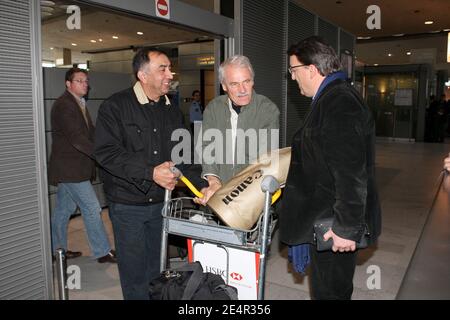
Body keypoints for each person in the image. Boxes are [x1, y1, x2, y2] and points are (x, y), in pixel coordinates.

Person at [93, 48, 207, 300]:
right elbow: (106, 153)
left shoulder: (172, 111)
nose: (170, 74)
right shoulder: (115, 106)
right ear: (142, 75)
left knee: (157, 271)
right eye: (163, 69)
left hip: (161, 205)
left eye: (170, 68)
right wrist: (150, 172)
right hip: (127, 205)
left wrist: (204, 184)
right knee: (134, 274)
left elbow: (184, 157)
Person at [279, 36, 382, 300]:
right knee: (327, 289)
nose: (292, 78)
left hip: (334, 225)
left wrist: (346, 229)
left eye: (293, 70)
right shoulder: (331, 97)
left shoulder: (339, 103)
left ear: (311, 69)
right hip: (325, 218)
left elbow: (350, 172)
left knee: (331, 292)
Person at [48, 67, 117, 263]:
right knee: (92, 207)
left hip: (73, 168)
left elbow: (91, 132)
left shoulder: (79, 103)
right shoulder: (64, 105)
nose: (85, 84)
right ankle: (102, 251)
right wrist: (101, 156)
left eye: (86, 81)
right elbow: (77, 138)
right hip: (71, 170)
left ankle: (57, 250)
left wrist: (108, 144)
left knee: (63, 211)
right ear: (68, 84)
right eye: (80, 81)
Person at [196, 55, 280, 204]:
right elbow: (207, 147)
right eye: (234, 84)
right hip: (219, 192)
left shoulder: (267, 110)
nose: (242, 90)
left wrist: (236, 195)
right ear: (224, 86)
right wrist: (214, 181)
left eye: (246, 81)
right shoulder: (214, 108)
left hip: (253, 194)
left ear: (253, 81)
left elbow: (264, 159)